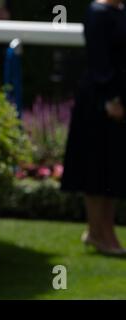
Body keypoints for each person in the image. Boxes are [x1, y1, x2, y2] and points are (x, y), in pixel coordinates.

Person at [61, 0, 126, 255]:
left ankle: (102, 231)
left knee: (112, 170)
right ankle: (99, 233)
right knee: (95, 169)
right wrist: (111, 99)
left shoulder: (120, 10)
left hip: (119, 101)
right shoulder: (97, 13)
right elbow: (99, 60)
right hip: (100, 103)